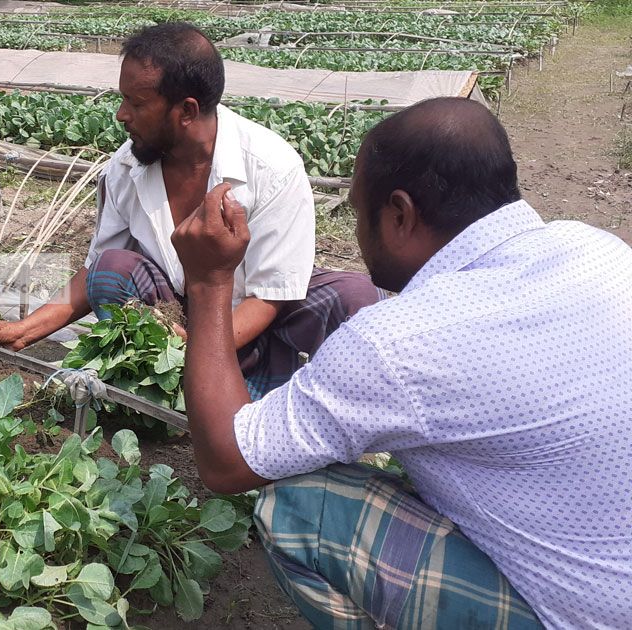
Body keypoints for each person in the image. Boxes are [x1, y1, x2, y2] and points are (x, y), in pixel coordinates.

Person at [174, 96, 632, 628]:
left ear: (399, 214)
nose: (358, 233)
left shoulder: (401, 342)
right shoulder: (599, 248)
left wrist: (209, 283)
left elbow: (227, 462)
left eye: (358, 213)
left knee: (301, 504)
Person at [0, 23, 383, 399]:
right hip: (170, 319)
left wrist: (195, 346)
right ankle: (167, 383)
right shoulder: (127, 166)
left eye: (136, 102)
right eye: (122, 99)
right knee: (112, 266)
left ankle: (290, 395)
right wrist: (27, 330)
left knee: (353, 297)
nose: (121, 115)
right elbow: (95, 267)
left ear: (187, 111)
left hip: (251, 325)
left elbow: (271, 296)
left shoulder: (272, 167)